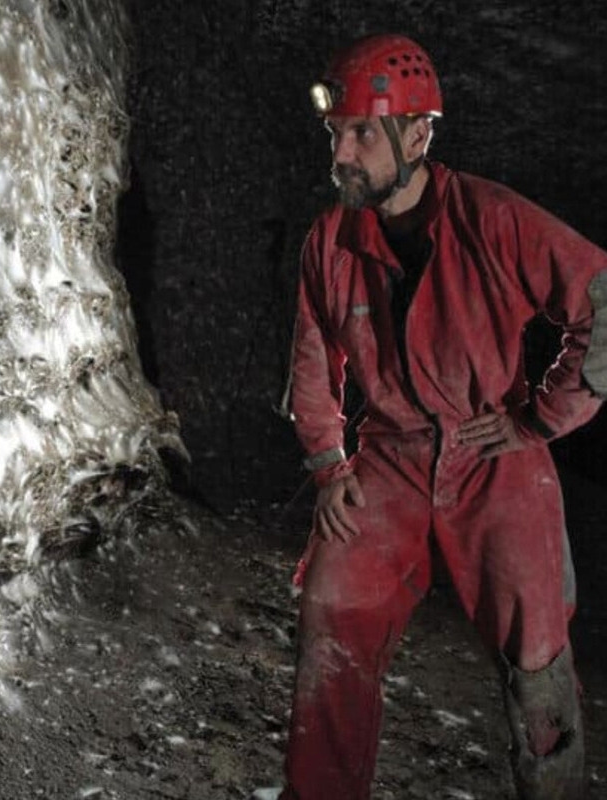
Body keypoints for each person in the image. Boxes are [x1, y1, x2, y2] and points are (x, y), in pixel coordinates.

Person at [278, 33, 607, 800]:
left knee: (537, 647)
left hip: (494, 454)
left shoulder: (492, 219)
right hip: (387, 457)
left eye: (362, 132)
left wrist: (542, 418)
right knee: (332, 603)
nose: (343, 153)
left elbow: (601, 298)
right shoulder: (331, 239)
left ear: (418, 133)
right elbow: (312, 362)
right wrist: (328, 466)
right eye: (338, 134)